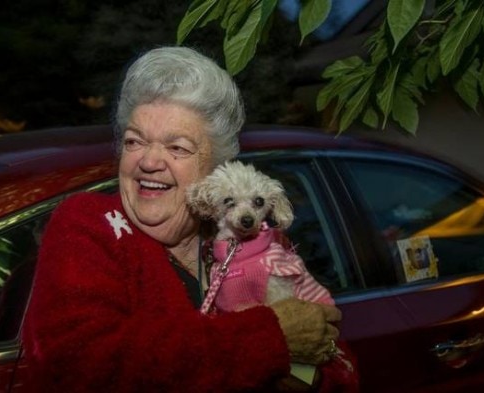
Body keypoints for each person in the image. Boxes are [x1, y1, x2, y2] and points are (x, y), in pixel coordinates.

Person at [21, 46, 346, 392]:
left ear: (215, 168)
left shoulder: (252, 237)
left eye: (177, 147)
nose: (148, 161)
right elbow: (80, 364)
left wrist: (315, 375)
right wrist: (270, 338)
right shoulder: (87, 225)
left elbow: (338, 359)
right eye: (135, 141)